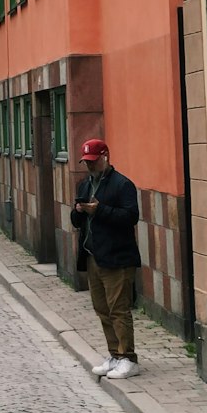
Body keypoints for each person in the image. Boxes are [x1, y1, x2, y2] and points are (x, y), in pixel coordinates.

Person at [70, 137, 142, 380]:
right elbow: (76, 221)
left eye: (93, 161)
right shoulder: (85, 185)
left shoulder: (122, 185)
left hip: (118, 257)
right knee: (102, 308)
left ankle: (128, 358)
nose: (89, 166)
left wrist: (99, 210)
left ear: (105, 157)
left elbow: (130, 217)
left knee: (118, 308)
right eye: (86, 162)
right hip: (93, 255)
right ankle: (114, 354)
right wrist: (78, 212)